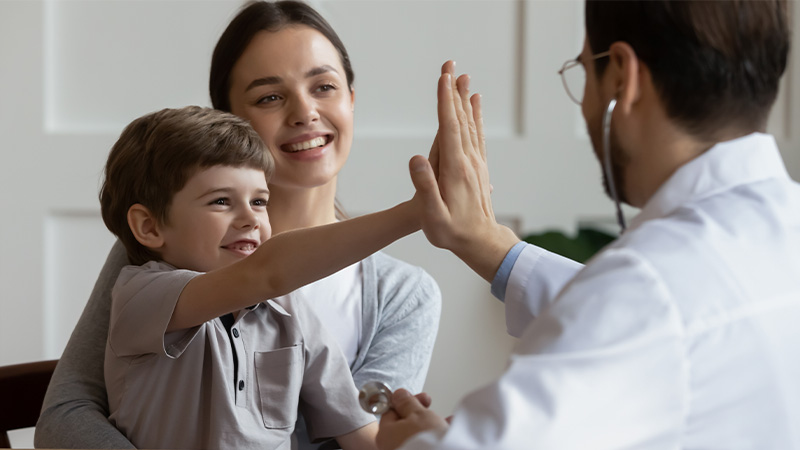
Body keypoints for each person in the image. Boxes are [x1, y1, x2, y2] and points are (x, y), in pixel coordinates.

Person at [377, 0, 800, 448]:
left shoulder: (647, 288)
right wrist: (488, 244)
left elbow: (646, 316)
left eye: (582, 71)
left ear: (622, 76)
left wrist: (416, 443)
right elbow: (678, 331)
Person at [35, 2, 440, 449]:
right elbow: (65, 415)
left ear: (351, 98)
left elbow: (364, 436)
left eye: (324, 86)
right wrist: (417, 212)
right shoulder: (155, 263)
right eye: (269, 96)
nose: (304, 112)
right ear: (228, 117)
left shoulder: (393, 298)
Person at [102, 105, 422, 449]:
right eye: (221, 201)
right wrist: (418, 213)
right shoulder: (142, 295)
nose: (250, 219)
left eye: (259, 201)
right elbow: (266, 273)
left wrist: (424, 439)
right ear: (149, 227)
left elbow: (359, 434)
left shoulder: (291, 312)